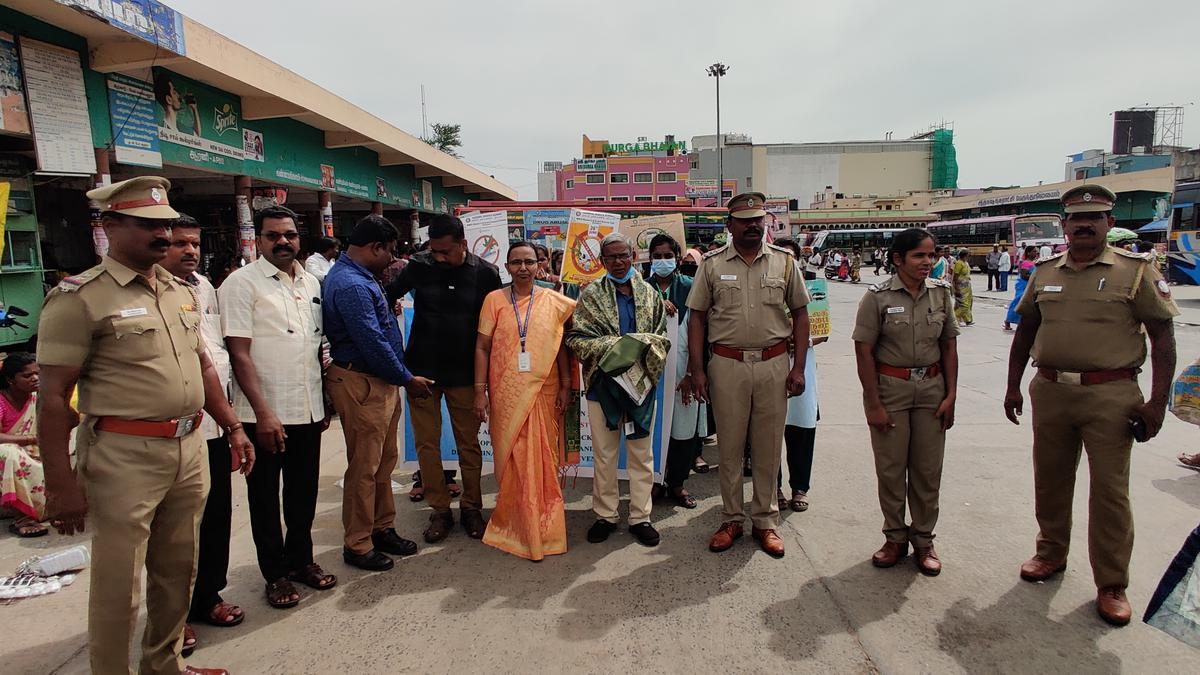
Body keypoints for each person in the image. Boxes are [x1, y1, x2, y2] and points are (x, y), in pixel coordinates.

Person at [37, 176, 253, 675]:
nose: (162, 235)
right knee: (119, 584)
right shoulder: (79, 298)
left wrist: (233, 427)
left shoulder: (179, 291)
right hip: (122, 455)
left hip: (188, 446)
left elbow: (202, 366)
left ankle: (165, 665)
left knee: (178, 570)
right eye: (147, 225)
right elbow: (51, 399)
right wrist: (60, 485)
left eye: (166, 225)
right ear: (110, 226)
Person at [1004, 184, 1179, 627]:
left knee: (1110, 492)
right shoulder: (1045, 272)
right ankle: (1050, 554)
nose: (1084, 225)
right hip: (1052, 391)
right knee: (1051, 479)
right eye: (1076, 219)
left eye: (1094, 218)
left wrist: (1158, 402)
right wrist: (1012, 387)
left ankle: (1112, 583)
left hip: (1112, 396)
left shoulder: (1136, 271)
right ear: (1064, 225)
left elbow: (1162, 337)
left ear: (1109, 224)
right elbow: (1025, 333)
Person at [219, 205, 334, 610]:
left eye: (289, 234)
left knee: (303, 493)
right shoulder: (240, 284)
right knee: (265, 498)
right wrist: (263, 413)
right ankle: (276, 574)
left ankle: (301, 561)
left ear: (299, 237)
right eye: (272, 236)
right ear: (259, 240)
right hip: (262, 415)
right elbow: (239, 354)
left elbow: (315, 347)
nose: (282, 242)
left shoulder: (311, 282)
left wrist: (321, 407)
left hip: (307, 409)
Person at [685, 192, 810, 559]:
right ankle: (731, 518)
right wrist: (697, 369)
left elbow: (801, 313)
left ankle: (765, 521)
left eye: (759, 220)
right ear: (730, 226)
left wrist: (798, 366)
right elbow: (696, 317)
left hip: (774, 363)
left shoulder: (785, 263)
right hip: (726, 365)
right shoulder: (711, 265)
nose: (754, 226)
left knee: (769, 445)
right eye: (745, 221)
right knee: (730, 447)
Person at [324, 215, 432, 571]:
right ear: (375, 248)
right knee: (364, 468)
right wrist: (406, 378)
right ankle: (357, 543)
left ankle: (382, 527)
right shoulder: (352, 285)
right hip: (363, 381)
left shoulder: (361, 278)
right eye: (389, 252)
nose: (392, 260)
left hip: (378, 381)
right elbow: (371, 342)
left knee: (383, 463)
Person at [386, 214, 501, 543]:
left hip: (466, 375)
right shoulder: (418, 266)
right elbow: (383, 296)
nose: (438, 257)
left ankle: (471, 508)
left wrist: (487, 382)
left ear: (463, 244)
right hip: (422, 373)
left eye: (445, 252)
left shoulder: (486, 275)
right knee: (427, 444)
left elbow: (495, 326)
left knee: (469, 445)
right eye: (433, 251)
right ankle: (439, 510)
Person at [853, 228, 959, 576]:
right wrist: (873, 403)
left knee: (928, 471)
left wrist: (951, 395)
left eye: (931, 255)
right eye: (919, 255)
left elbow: (948, 347)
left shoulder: (941, 294)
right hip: (891, 390)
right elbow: (864, 350)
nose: (927, 262)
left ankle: (924, 540)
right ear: (898, 259)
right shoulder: (877, 297)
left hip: (931, 390)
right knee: (892, 469)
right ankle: (895, 538)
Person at [160, 216, 244, 649]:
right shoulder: (148, 295)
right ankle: (171, 619)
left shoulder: (205, 287)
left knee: (215, 518)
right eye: (178, 244)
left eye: (193, 243)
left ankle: (207, 597)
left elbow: (215, 358)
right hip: (165, 432)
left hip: (211, 425)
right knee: (173, 531)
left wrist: (232, 424)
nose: (188, 251)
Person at [473, 241, 576, 560]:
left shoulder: (555, 302)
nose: (523, 268)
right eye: (516, 262)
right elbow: (482, 347)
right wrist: (480, 390)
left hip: (545, 387)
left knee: (543, 456)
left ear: (539, 265)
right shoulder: (493, 300)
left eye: (529, 262)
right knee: (514, 456)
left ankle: (545, 527)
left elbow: (563, 346)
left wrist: (567, 384)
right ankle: (514, 523)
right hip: (505, 390)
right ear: (506, 267)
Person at [565, 233, 669, 547]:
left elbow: (662, 337)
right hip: (603, 387)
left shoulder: (650, 295)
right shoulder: (591, 294)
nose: (618, 262)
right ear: (602, 261)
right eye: (611, 258)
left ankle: (641, 516)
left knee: (641, 454)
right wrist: (614, 347)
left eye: (623, 255)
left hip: (640, 386)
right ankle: (605, 515)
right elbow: (576, 339)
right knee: (605, 455)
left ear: (634, 255)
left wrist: (639, 351)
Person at [645, 234, 705, 509]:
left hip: (684, 371)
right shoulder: (642, 288)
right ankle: (656, 481)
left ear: (678, 259)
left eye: (667, 256)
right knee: (654, 430)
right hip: (650, 374)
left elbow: (702, 331)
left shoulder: (691, 287)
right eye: (656, 256)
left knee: (682, 432)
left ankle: (678, 484)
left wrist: (693, 373)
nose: (662, 261)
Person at [771, 239, 823, 513]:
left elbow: (822, 330)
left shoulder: (813, 286)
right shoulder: (767, 288)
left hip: (803, 364)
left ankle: (799, 487)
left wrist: (802, 339)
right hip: (771, 363)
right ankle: (774, 486)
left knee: (801, 428)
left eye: (791, 258)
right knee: (769, 430)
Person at [0, 353, 47, 537]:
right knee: (9, 452)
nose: (35, 378)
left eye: (37, 373)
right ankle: (22, 517)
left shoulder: (39, 398)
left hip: (32, 453)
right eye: (27, 376)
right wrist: (29, 439)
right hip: (8, 460)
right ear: (11, 380)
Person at [1003, 246, 1040, 331]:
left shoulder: (1034, 262)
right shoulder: (1026, 263)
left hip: (1031, 285)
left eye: (1036, 252)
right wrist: (1035, 277)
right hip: (1023, 286)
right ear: (1028, 253)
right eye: (1034, 252)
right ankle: (1008, 320)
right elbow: (1024, 276)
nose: (1036, 253)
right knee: (1018, 302)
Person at [952, 249, 974, 326]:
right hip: (960, 286)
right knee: (964, 305)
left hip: (967, 286)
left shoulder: (966, 263)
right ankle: (954, 318)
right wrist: (956, 288)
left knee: (968, 303)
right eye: (968, 255)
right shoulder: (959, 263)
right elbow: (955, 277)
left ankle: (968, 320)